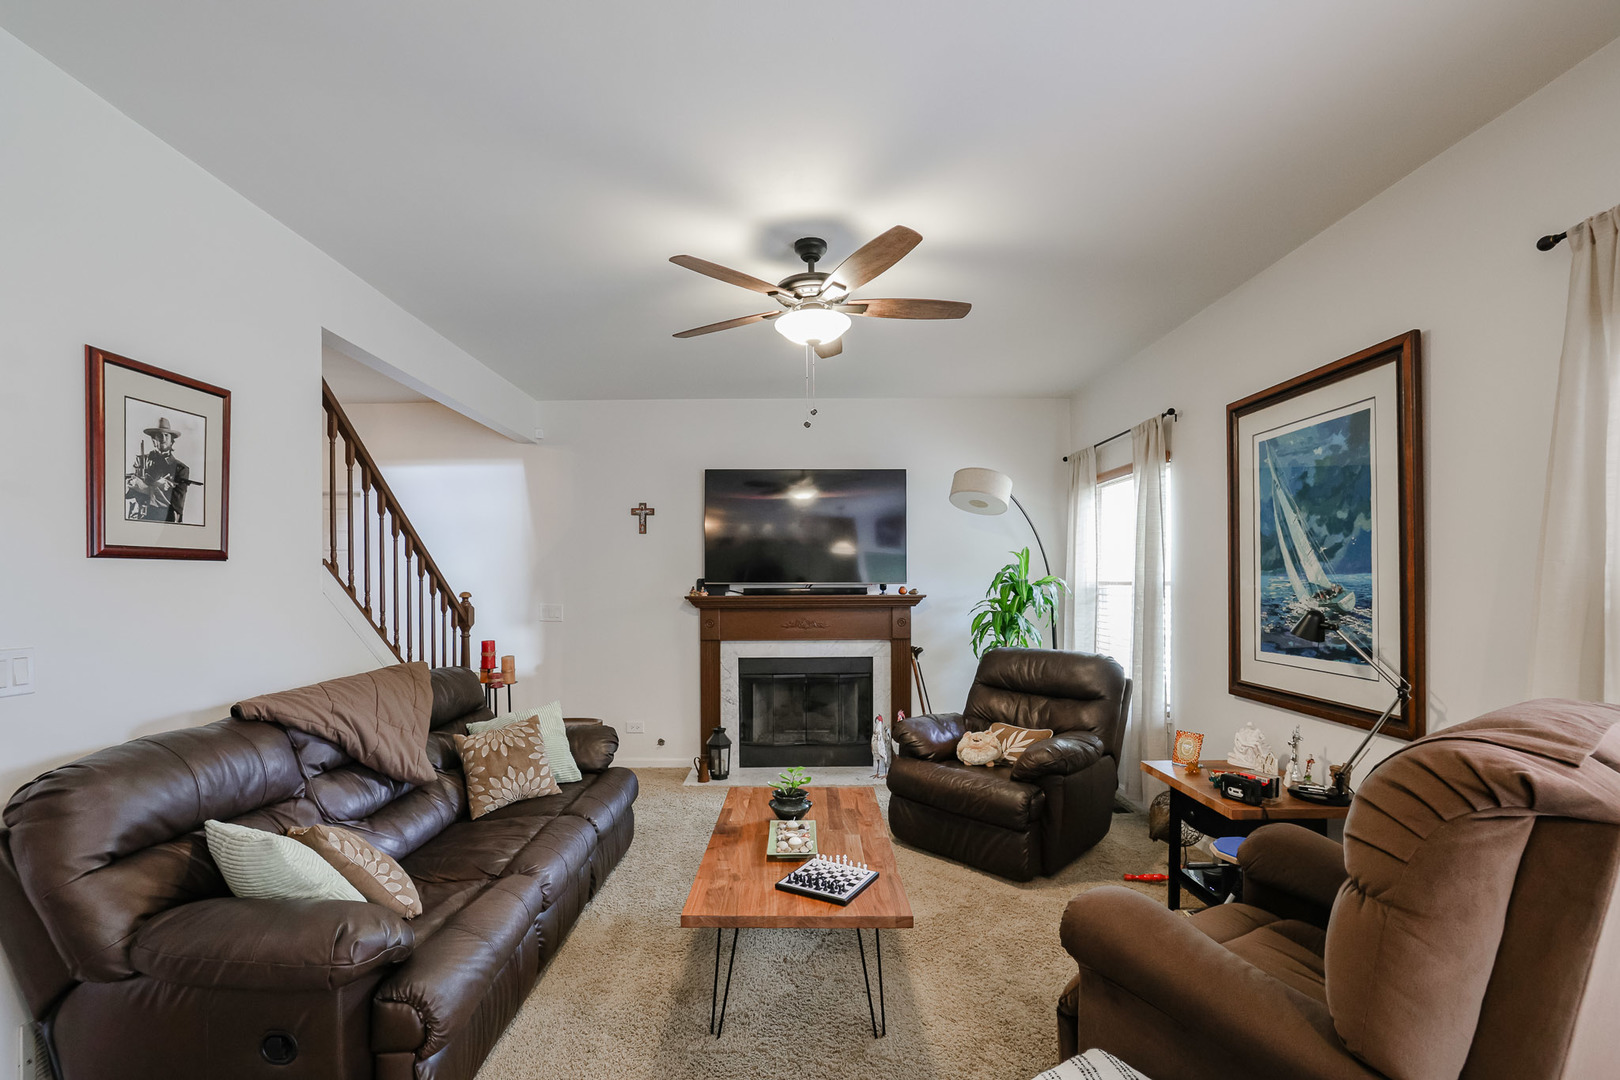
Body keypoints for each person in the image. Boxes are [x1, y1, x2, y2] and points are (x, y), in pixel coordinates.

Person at [125, 416, 193, 522]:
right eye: (159, 435)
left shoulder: (181, 469)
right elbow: (129, 492)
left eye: (166, 435)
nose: (163, 439)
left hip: (165, 523)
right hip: (139, 519)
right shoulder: (141, 460)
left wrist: (147, 488)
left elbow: (176, 505)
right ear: (153, 440)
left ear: (172, 441)